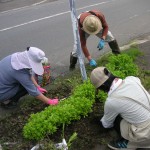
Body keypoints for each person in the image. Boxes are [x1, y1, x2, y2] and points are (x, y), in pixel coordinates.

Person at [90, 67, 150, 149]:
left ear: (102, 86)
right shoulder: (132, 79)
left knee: (116, 119)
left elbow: (106, 124)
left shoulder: (112, 101)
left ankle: (127, 143)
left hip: (146, 134)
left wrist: (100, 120)